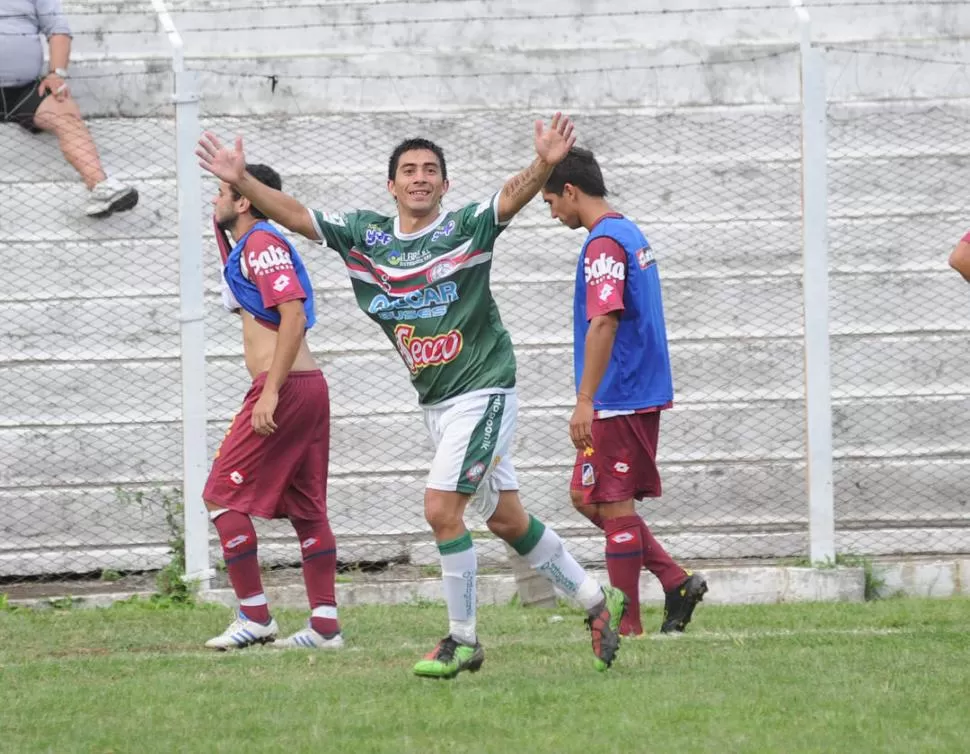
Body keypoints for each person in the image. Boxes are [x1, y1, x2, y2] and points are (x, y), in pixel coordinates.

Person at [197, 114, 628, 678]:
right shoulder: (366, 237)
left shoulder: (467, 227)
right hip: (438, 404)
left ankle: (462, 641)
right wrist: (244, 182)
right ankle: (596, 603)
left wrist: (545, 163)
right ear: (392, 185)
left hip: (484, 389)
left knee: (440, 511)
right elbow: (299, 217)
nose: (419, 178)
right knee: (505, 520)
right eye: (408, 170)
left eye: (430, 171)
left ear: (445, 186)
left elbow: (512, 195)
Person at [541, 147, 707, 636]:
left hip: (620, 395)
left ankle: (627, 625)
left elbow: (605, 321)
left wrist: (586, 400)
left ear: (571, 191)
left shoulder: (603, 245)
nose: (553, 214)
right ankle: (674, 580)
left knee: (612, 505)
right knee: (585, 495)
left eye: (551, 202)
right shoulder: (629, 231)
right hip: (633, 391)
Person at [202, 163, 341, 651]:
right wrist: (229, 173)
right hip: (305, 386)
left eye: (220, 193)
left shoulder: (262, 243)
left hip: (287, 387)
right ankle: (325, 626)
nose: (213, 199)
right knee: (306, 506)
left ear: (242, 201)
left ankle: (255, 616)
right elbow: (225, 236)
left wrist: (271, 391)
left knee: (220, 496)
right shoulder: (246, 244)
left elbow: (294, 313)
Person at [0, 0, 137, 217]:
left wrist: (56, 74)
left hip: (25, 89)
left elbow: (58, 30)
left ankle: (101, 187)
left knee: (64, 110)